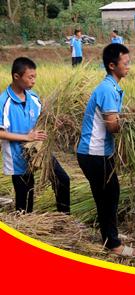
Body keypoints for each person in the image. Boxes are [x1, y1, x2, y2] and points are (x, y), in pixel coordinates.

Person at [77, 43, 135, 257]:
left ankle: (110, 235)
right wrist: (134, 122)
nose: (128, 66)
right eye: (125, 63)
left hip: (99, 152)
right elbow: (112, 126)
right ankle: (113, 244)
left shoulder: (112, 87)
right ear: (112, 65)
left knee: (107, 195)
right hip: (94, 153)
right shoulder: (107, 89)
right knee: (108, 196)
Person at [0, 57, 70, 214]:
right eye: (30, 77)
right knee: (25, 198)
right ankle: (24, 223)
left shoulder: (33, 97)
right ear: (16, 76)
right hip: (18, 157)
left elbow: (42, 119)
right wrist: (27, 137)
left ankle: (64, 218)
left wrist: (54, 122)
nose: (33, 81)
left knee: (62, 179)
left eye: (35, 77)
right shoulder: (4, 102)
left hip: (39, 151)